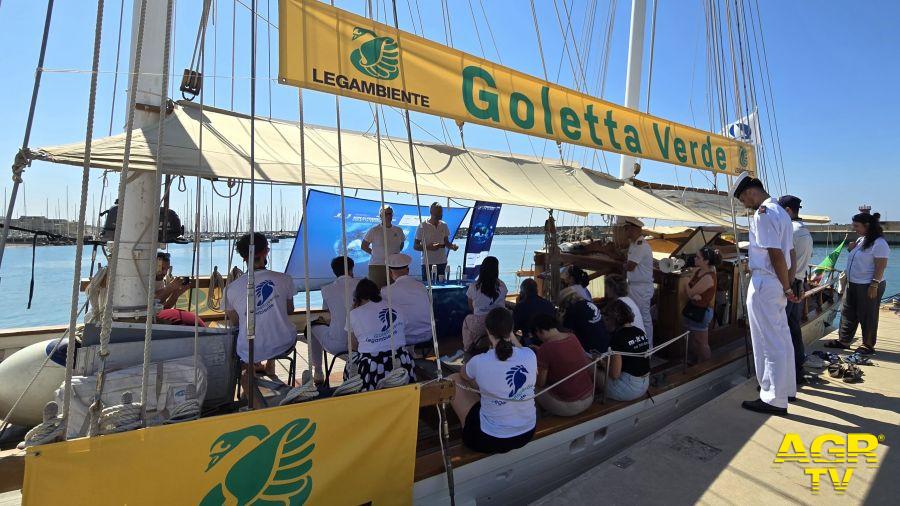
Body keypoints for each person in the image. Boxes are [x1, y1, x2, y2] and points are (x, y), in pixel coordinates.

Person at [731, 171, 797, 415]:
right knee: (782, 338)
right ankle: (787, 389)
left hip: (765, 283)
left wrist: (787, 286)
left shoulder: (763, 215)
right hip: (777, 283)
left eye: (743, 200)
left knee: (767, 343)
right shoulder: (782, 212)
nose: (745, 205)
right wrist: (789, 284)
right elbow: (790, 253)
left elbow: (775, 254)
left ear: (751, 192)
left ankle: (773, 399)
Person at [448, 307, 536, 453]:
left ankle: (468, 429)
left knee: (454, 379)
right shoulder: (529, 355)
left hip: (492, 439)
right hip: (527, 432)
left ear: (488, 331)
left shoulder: (479, 361)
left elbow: (463, 375)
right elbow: (520, 349)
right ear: (511, 330)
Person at [224, 233, 297, 392]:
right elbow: (290, 310)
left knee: (246, 341)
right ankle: (270, 367)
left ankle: (248, 385)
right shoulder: (285, 279)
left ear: (244, 257)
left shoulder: (231, 289)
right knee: (273, 322)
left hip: (251, 350)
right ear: (267, 251)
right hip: (284, 343)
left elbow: (235, 322)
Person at [826, 210, 889, 355]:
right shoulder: (862, 240)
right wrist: (851, 250)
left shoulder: (879, 243)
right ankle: (844, 341)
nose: (854, 228)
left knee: (868, 314)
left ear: (867, 225)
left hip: (868, 284)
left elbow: (881, 265)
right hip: (853, 283)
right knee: (847, 312)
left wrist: (874, 284)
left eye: (856, 226)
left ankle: (868, 344)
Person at [346, 278, 416, 391]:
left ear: (358, 298)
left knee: (350, 365)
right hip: (402, 360)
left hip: (372, 365)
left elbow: (352, 346)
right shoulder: (396, 307)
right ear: (377, 293)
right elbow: (403, 331)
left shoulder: (354, 314)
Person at [779, 195, 813, 384]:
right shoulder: (805, 232)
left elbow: (782, 260)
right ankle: (797, 366)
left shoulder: (790, 231)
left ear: (788, 211)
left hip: (788, 284)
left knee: (782, 328)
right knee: (793, 327)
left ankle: (785, 371)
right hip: (799, 282)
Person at [309, 256, 360, 383]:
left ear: (334, 271)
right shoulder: (362, 285)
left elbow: (327, 311)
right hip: (362, 342)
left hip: (337, 343)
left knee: (311, 326)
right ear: (351, 269)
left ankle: (318, 371)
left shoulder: (327, 289)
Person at [532, 313, 594, 417]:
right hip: (589, 397)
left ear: (540, 330)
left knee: (531, 387)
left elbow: (541, 382)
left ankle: (540, 419)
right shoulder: (573, 337)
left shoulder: (545, 348)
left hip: (570, 405)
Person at [599, 299, 650, 401]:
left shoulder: (617, 337)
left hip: (630, 390)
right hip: (645, 384)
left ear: (613, 319)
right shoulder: (639, 331)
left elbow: (615, 374)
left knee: (592, 370)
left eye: (606, 319)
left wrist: (601, 363)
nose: (605, 322)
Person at [615, 216, 655, 348]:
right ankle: (638, 344)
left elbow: (630, 266)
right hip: (635, 287)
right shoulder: (634, 244)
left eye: (627, 229)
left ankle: (648, 347)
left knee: (644, 318)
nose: (626, 232)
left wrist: (624, 266)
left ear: (633, 229)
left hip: (641, 289)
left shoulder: (640, 246)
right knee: (635, 314)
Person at [381, 253, 432, 346]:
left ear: (389, 272)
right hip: (427, 334)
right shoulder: (421, 286)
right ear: (408, 270)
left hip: (403, 337)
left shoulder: (386, 291)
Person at [682, 247, 721, 365]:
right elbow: (693, 292)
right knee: (694, 341)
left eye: (698, 257)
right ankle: (697, 363)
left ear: (706, 261)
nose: (695, 258)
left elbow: (690, 293)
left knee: (702, 342)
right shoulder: (699, 271)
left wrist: (685, 282)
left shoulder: (709, 277)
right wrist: (693, 293)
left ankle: (706, 366)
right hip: (694, 309)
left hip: (702, 312)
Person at [462, 256, 508, 352]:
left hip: (480, 325)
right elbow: (503, 301)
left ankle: (468, 348)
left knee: (467, 320)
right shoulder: (502, 285)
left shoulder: (474, 286)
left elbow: (471, 306)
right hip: (499, 324)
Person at [558, 268, 609, 353]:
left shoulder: (573, 302)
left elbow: (565, 332)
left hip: (590, 351)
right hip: (604, 347)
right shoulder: (584, 292)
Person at [361, 205, 405, 288]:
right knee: (376, 293)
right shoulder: (374, 230)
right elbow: (363, 246)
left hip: (394, 266)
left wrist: (395, 254)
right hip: (377, 266)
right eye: (386, 213)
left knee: (394, 292)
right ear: (381, 215)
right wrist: (375, 253)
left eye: (390, 213)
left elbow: (402, 243)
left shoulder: (398, 230)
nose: (389, 216)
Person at [414, 202, 459, 281]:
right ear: (431, 212)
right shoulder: (422, 226)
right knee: (428, 288)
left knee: (441, 287)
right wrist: (428, 247)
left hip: (442, 262)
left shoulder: (444, 225)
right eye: (438, 212)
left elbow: (447, 243)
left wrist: (453, 247)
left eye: (441, 212)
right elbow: (415, 246)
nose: (441, 214)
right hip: (427, 263)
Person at [513, 278, 556, 344]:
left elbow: (515, 327)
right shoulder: (549, 304)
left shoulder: (521, 306)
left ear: (523, 292)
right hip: (549, 340)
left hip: (531, 341)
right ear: (536, 290)